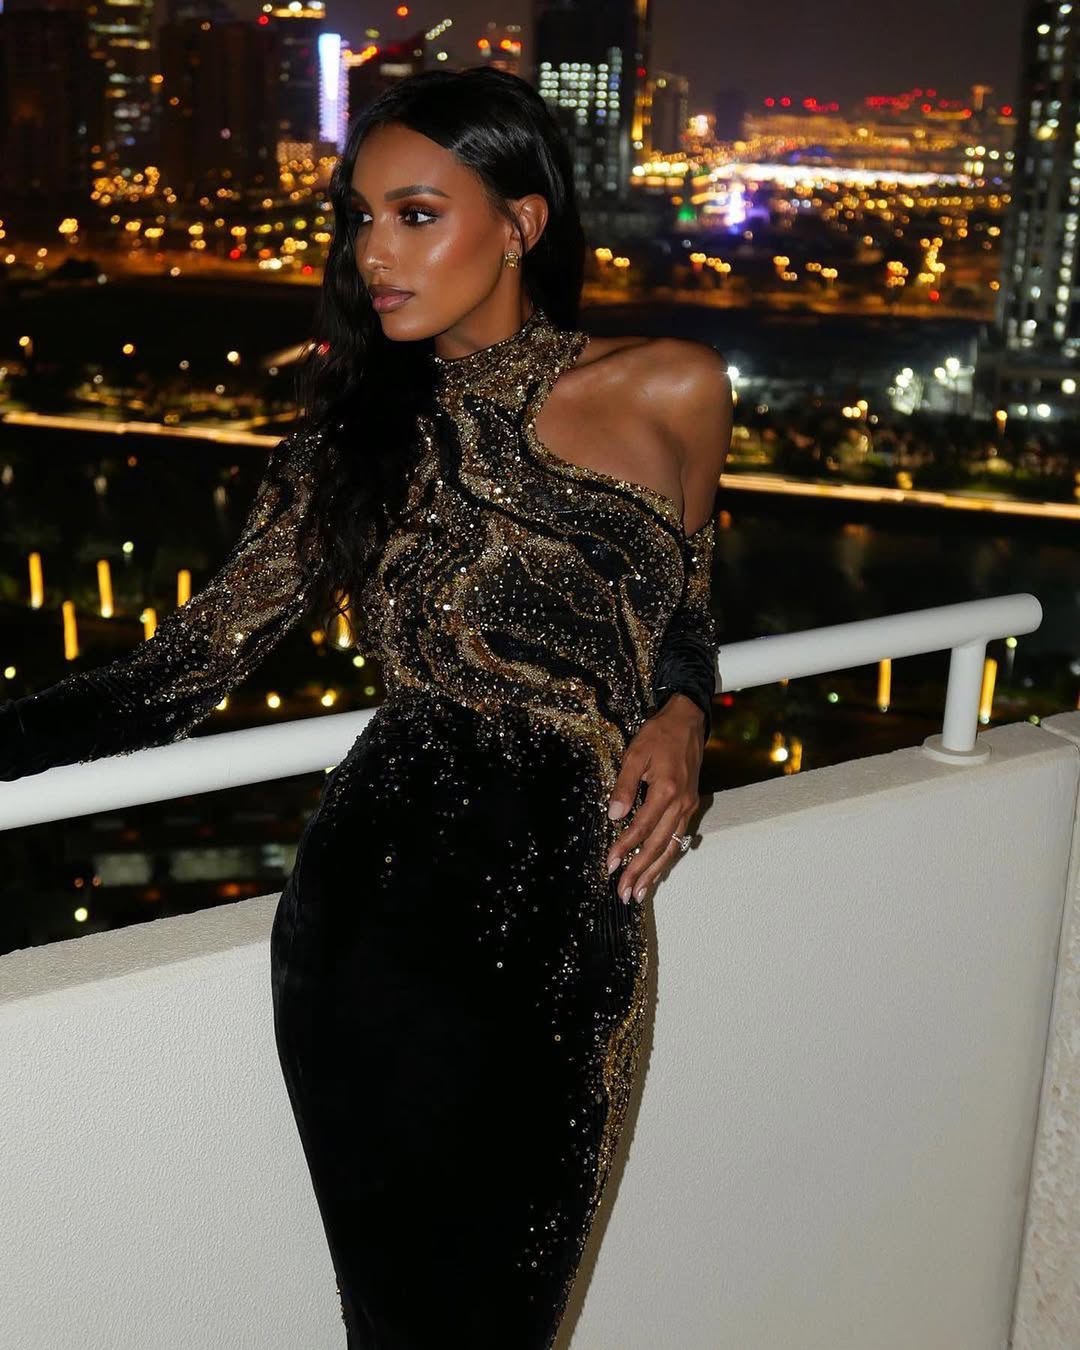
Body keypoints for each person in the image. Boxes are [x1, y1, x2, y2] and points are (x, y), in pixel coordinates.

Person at [1, 68, 732, 1350]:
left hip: (582, 924)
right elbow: (181, 669)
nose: (371, 254)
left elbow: (687, 608)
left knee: (521, 1315)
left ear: (520, 222)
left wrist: (681, 714)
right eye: (358, 218)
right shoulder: (351, 445)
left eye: (414, 215)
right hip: (381, 925)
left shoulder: (675, 388)